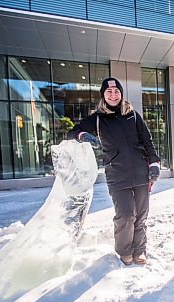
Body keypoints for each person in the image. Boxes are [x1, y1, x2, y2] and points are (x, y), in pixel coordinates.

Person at [68, 77, 160, 266]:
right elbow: (73, 132)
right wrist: (83, 135)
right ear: (103, 95)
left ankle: (139, 250)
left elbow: (147, 141)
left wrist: (154, 163)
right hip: (117, 175)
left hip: (141, 173)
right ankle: (125, 251)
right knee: (125, 214)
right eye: (109, 91)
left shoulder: (133, 115)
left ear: (121, 94)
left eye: (116, 91)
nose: (113, 94)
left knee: (141, 215)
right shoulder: (98, 119)